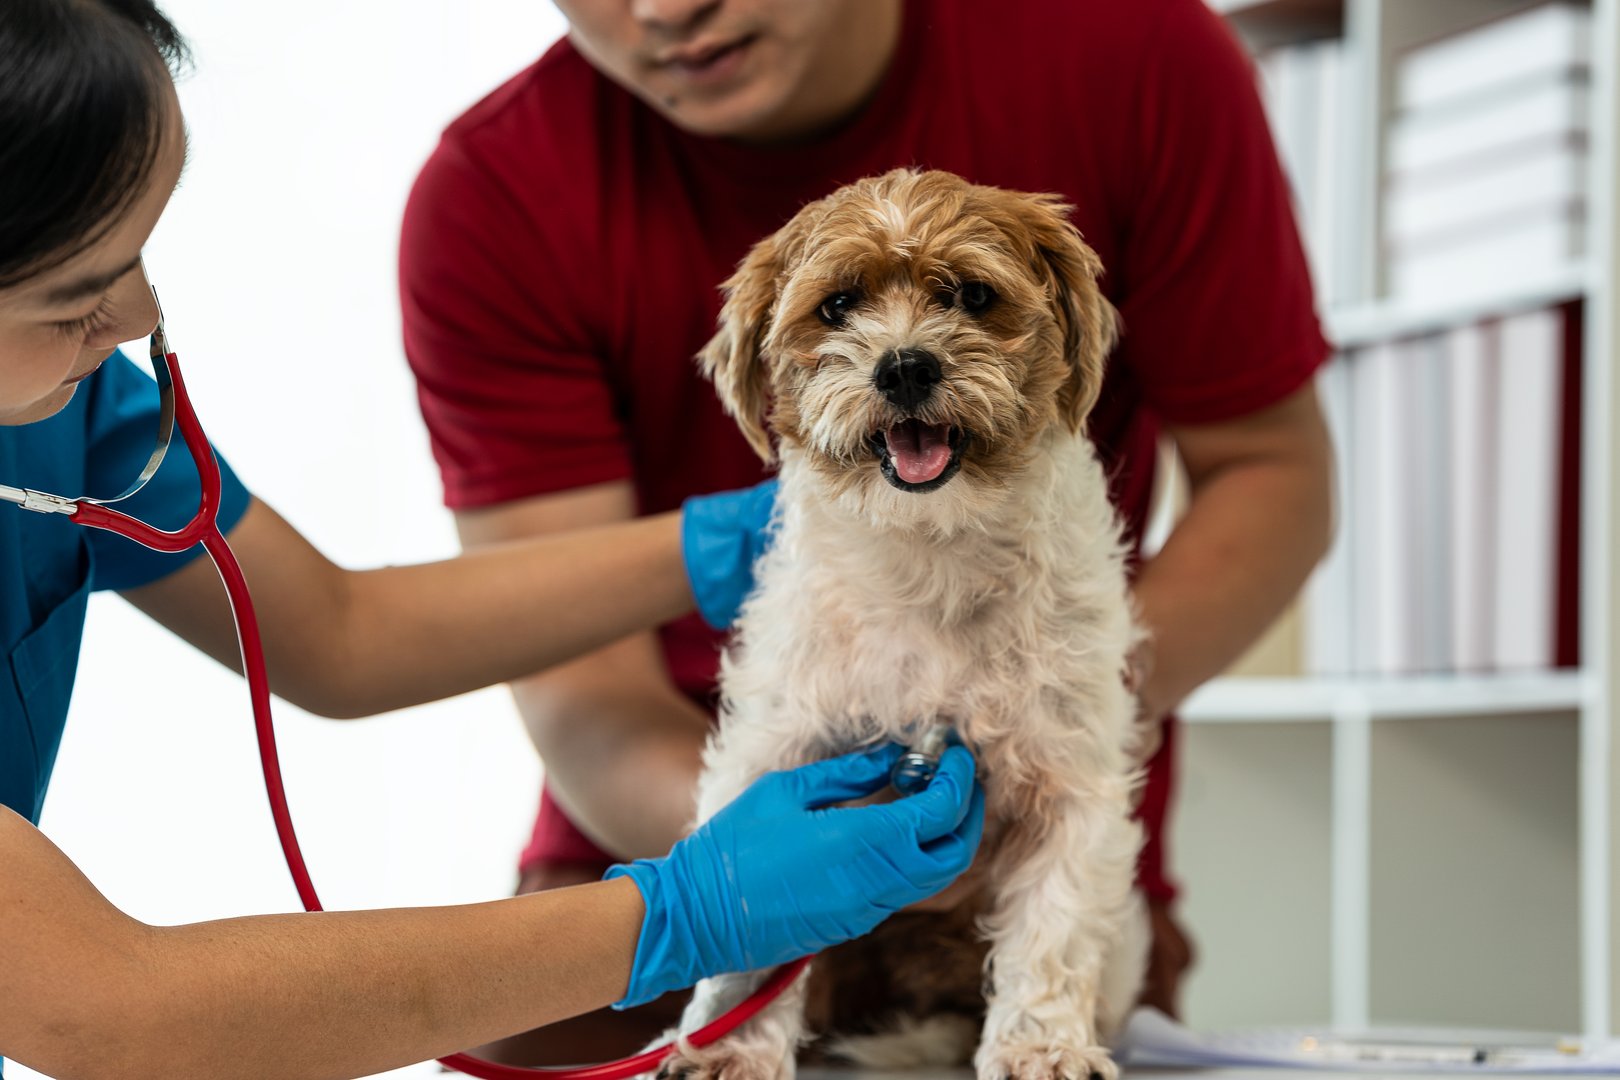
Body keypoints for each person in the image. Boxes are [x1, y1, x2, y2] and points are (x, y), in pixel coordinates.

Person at [0, 2, 986, 1076]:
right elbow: (95, 1003)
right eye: (75, 297)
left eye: (141, 256)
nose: (138, 314)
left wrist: (724, 542)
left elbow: (339, 634)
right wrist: (685, 912)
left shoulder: (65, 408)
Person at [400, 0, 1337, 1051]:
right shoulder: (493, 192)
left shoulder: (1140, 53)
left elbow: (1274, 473)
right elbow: (573, 682)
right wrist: (743, 879)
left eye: (968, 300)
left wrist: (1077, 714)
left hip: (1034, 896)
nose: (665, 7)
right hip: (646, 866)